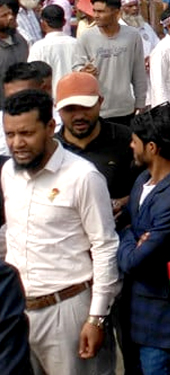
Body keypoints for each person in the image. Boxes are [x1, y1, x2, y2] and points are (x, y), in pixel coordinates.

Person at [2, 88, 119, 375]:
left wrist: (96, 317)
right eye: (10, 134)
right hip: (17, 312)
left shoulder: (83, 176)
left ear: (50, 127)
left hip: (68, 312)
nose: (17, 143)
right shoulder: (8, 173)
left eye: (26, 133)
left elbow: (105, 246)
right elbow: (10, 234)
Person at [119, 104, 170, 375]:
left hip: (162, 318)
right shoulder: (142, 179)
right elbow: (126, 225)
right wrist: (131, 233)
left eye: (135, 141)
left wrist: (125, 233)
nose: (131, 145)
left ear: (151, 147)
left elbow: (134, 261)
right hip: (135, 311)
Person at [54, 72, 136, 217]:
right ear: (57, 108)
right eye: (70, 109)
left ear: (100, 102)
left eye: (86, 107)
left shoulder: (127, 140)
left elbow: (150, 186)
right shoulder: (50, 149)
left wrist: (121, 204)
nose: (79, 116)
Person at [78, 0, 147, 123]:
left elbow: (139, 72)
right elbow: (76, 67)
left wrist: (141, 102)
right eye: (94, 11)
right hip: (97, 111)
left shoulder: (132, 36)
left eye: (101, 12)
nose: (96, 16)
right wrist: (83, 71)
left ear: (116, 13)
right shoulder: (86, 37)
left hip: (125, 109)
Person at [27, 4, 83, 94]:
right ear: (64, 22)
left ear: (43, 24)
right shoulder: (76, 44)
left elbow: (33, 77)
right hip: (74, 96)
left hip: (49, 97)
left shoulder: (38, 47)